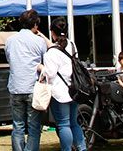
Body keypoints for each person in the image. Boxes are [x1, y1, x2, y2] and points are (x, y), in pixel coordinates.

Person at [5, 9, 48, 151]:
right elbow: (44, 60)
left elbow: (9, 58)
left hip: (15, 87)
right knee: (34, 127)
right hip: (32, 87)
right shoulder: (39, 42)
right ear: (35, 24)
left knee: (18, 125)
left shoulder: (10, 40)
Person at [43, 18, 87, 151]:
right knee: (74, 123)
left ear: (52, 32)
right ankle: (82, 148)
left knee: (63, 125)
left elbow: (50, 73)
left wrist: (41, 69)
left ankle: (67, 149)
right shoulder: (72, 45)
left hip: (59, 92)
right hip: (74, 89)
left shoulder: (51, 52)